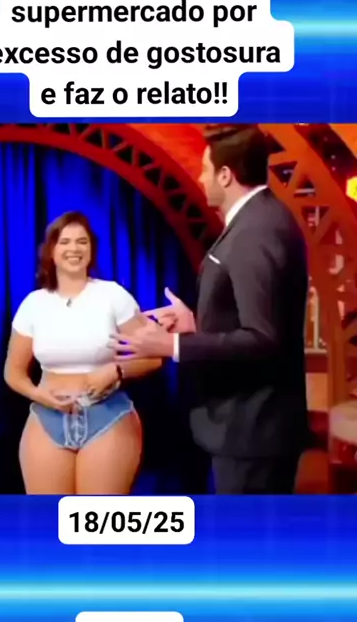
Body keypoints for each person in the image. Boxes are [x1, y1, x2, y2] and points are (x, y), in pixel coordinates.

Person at [114, 125, 309, 495]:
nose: (201, 178)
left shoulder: (257, 231)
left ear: (226, 175)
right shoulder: (258, 220)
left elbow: (264, 339)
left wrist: (173, 346)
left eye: (206, 170)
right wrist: (195, 324)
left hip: (252, 432)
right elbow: (253, 319)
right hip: (245, 431)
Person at [4, 211, 162, 495]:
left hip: (107, 416)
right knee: (50, 520)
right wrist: (40, 395)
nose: (74, 249)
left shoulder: (113, 295)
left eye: (82, 242)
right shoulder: (34, 304)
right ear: (51, 250)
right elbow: (13, 372)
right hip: (47, 418)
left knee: (97, 520)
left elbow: (154, 356)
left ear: (91, 249)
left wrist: (116, 370)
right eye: (65, 242)